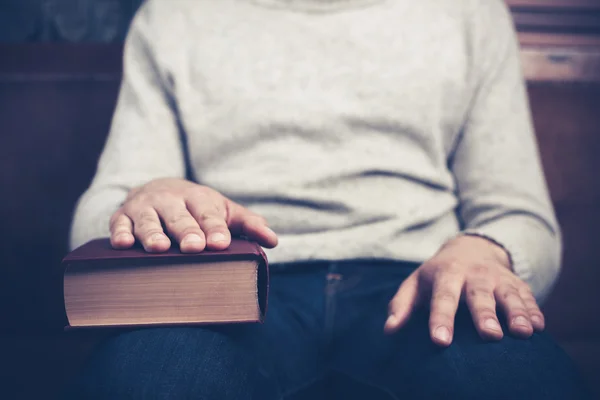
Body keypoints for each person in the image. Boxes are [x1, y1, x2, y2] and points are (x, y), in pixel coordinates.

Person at [66, 0, 592, 398]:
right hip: (233, 284)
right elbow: (99, 215)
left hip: (422, 282)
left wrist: (484, 251)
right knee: (152, 376)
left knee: (518, 379)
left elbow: (518, 213)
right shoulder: (173, 15)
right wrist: (144, 198)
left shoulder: (468, 12)